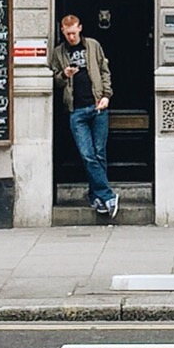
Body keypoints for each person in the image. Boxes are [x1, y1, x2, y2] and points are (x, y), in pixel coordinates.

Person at [49, 11, 118, 221]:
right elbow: (55, 79)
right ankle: (108, 196)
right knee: (87, 155)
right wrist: (64, 75)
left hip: (97, 106)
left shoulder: (93, 46)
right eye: (67, 33)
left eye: (73, 32)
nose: (71, 37)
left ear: (80, 28)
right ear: (62, 31)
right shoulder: (58, 53)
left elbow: (105, 71)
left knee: (99, 154)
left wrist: (106, 95)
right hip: (76, 110)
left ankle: (97, 197)